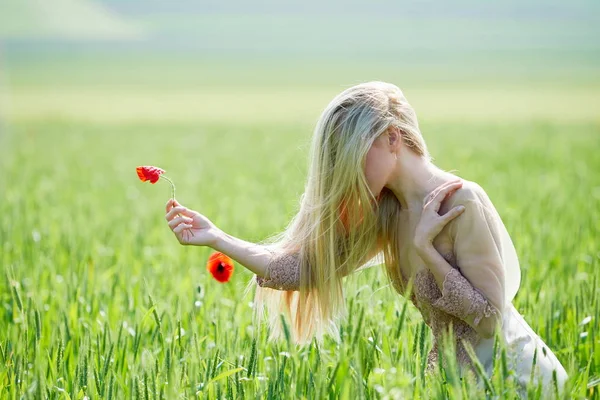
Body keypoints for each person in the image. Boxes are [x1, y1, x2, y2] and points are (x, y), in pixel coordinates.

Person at [164, 81, 568, 393]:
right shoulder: (387, 213)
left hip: (519, 381)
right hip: (457, 385)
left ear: (393, 138)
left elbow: (491, 321)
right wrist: (217, 238)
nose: (343, 171)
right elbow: (306, 270)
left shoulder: (462, 200)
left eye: (350, 154)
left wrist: (428, 250)